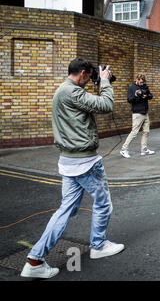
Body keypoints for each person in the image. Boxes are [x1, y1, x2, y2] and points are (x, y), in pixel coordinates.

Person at [20, 58, 124, 279]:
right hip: (84, 162)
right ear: (84, 73)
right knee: (103, 203)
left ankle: (35, 260)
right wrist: (105, 82)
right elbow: (106, 105)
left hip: (68, 162)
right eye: (90, 76)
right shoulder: (72, 92)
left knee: (66, 209)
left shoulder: (64, 90)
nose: (90, 80)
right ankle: (98, 246)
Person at [120, 74, 155, 158]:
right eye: (141, 82)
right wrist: (136, 95)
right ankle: (124, 149)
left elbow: (151, 96)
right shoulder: (131, 88)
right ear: (137, 79)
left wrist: (146, 95)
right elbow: (129, 100)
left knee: (146, 132)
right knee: (134, 132)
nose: (142, 83)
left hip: (145, 112)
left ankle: (144, 149)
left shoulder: (145, 87)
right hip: (137, 113)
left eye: (143, 82)